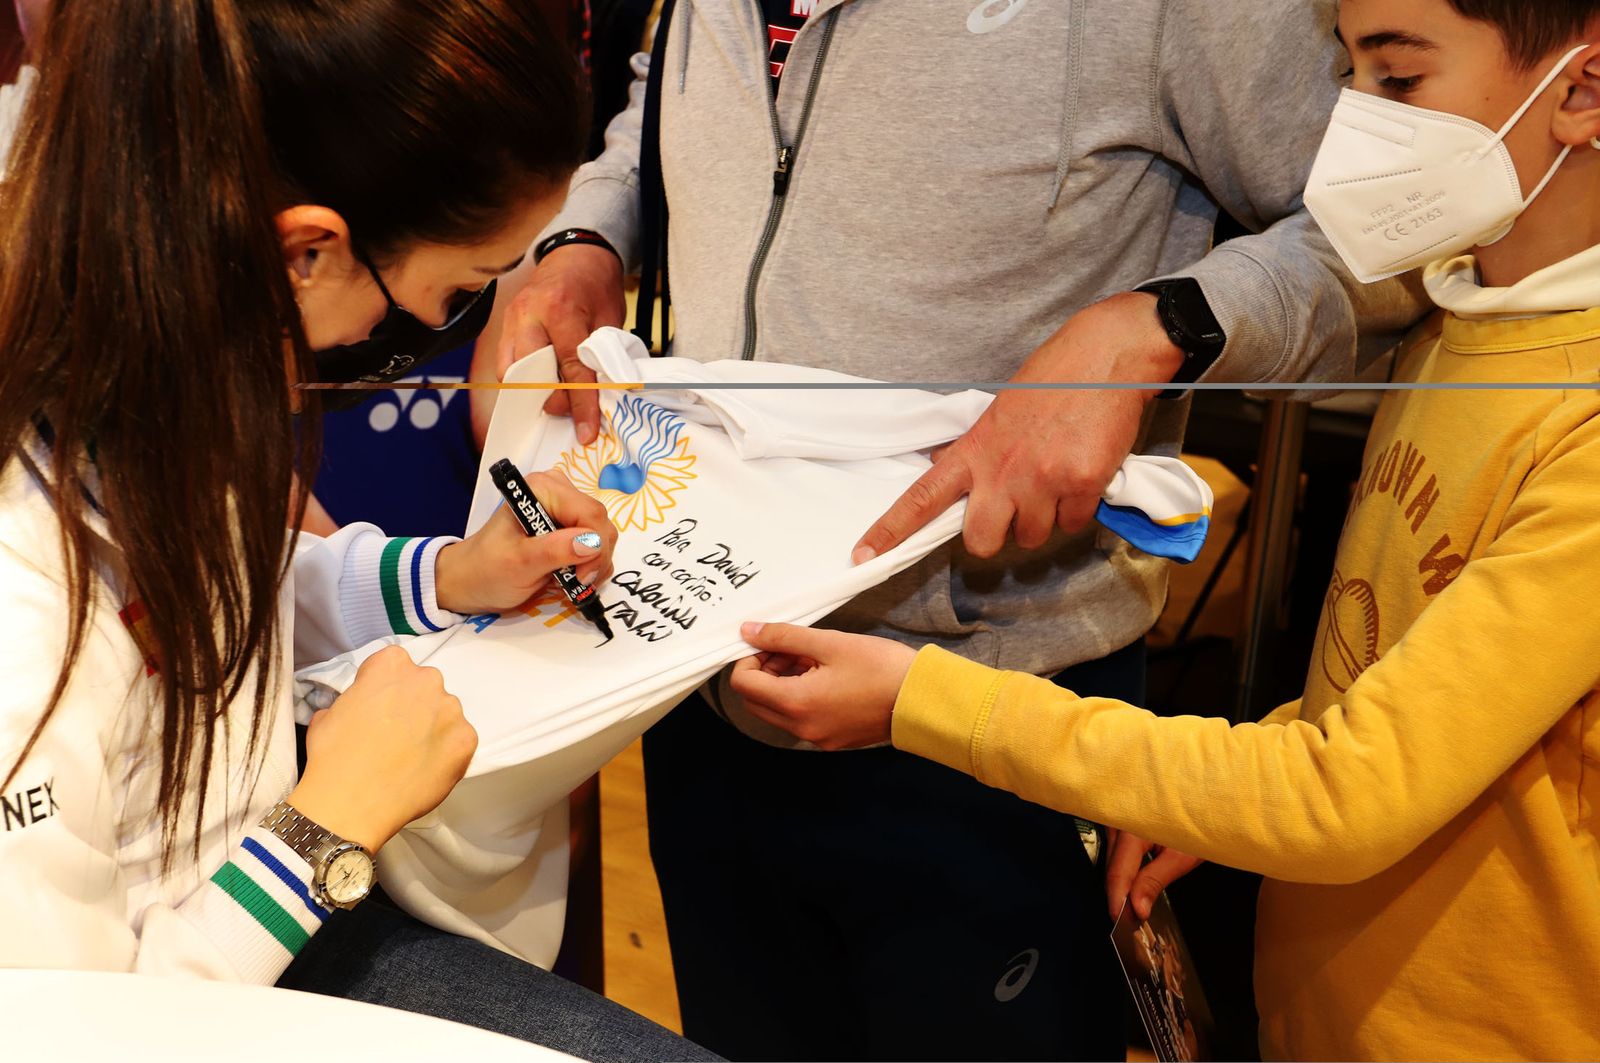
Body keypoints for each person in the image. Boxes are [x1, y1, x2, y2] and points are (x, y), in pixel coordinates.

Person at [476, 0, 1428, 1057]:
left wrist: (1170, 322)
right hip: (703, 669)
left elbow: (1401, 225)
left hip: (999, 708)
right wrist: (588, 232)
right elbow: (672, 90)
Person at [728, 0, 1600, 1057]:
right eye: (1348, 71)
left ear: (1581, 89)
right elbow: (1402, 689)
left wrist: (921, 698)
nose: (1352, 124)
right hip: (1330, 1010)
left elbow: (1351, 790)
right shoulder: (1471, 328)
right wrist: (1214, 771)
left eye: (1398, 82)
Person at [0, 3, 713, 1060]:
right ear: (309, 249)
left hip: (247, 914)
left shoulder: (157, 376)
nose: (420, 338)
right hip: (179, 981)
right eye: (453, 295)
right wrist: (324, 831)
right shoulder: (25, 625)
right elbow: (81, 1032)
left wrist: (450, 576)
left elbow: (221, 586)